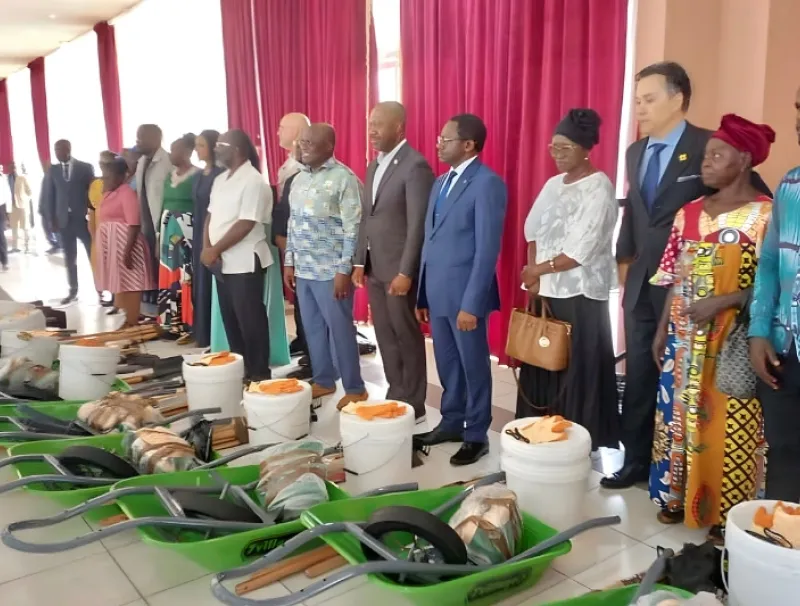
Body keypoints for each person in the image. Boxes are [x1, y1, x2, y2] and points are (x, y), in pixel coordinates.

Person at [604, 62, 772, 489]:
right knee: (641, 373)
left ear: (677, 99)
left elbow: (751, 200)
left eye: (649, 98)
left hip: (699, 289)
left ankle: (697, 475)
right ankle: (637, 461)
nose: (639, 107)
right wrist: (626, 268)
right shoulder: (635, 151)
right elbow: (636, 213)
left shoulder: (707, 146)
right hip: (645, 282)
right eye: (637, 99)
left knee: (695, 383)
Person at [649, 114, 774, 542]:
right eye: (705, 155)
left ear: (742, 160)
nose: (705, 163)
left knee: (730, 421)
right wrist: (663, 327)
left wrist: (725, 301)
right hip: (684, 340)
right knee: (678, 416)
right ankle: (677, 496)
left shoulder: (765, 217)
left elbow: (773, 281)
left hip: (733, 340)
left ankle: (728, 513)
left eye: (716, 155)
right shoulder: (688, 213)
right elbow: (674, 276)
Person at [519, 109, 619, 449]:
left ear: (586, 149)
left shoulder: (599, 188)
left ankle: (575, 443)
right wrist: (533, 276)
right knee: (543, 361)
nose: (557, 155)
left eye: (565, 148)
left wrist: (537, 270)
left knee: (577, 370)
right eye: (553, 148)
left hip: (580, 295)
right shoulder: (551, 185)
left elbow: (581, 251)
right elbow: (531, 230)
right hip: (546, 290)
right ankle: (541, 433)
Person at [415, 114, 507, 466]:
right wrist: (423, 293)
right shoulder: (440, 184)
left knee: (473, 365)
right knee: (448, 363)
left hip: (466, 296)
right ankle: (452, 422)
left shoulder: (487, 184)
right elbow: (430, 241)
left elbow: (486, 250)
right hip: (437, 292)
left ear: (468, 144)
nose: (439, 143)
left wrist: (472, 303)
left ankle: (476, 433)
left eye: (446, 139)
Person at [352, 102, 435, 422]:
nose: (372, 130)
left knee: (405, 334)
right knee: (384, 334)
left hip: (398, 270)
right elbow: (367, 218)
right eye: (370, 123)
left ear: (399, 127)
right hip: (374, 267)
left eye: (379, 125)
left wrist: (406, 271)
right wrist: (360, 261)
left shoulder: (415, 166)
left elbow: (417, 225)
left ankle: (414, 403)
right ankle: (395, 393)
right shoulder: (374, 165)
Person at [283, 123, 368, 408]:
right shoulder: (297, 180)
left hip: (331, 271)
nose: (303, 147)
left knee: (341, 330)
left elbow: (354, 229)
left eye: (310, 143)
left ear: (329, 146)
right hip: (304, 269)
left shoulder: (345, 179)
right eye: (301, 141)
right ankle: (323, 380)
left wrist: (345, 269)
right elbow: (292, 223)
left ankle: (355, 388)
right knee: (313, 328)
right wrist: (289, 262)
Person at [749, 85, 800, 504]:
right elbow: (767, 264)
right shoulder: (790, 187)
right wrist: (759, 331)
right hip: (786, 349)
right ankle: (784, 551)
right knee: (784, 454)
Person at [202, 130, 273, 382]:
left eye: (221, 145)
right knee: (231, 319)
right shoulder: (220, 180)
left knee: (250, 319)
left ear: (237, 150)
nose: (215, 148)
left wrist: (215, 249)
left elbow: (246, 223)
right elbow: (210, 216)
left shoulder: (253, 181)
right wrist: (206, 247)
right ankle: (241, 368)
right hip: (221, 262)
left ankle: (259, 372)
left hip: (244, 260)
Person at [95, 156, 156, 326]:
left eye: (109, 176)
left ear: (121, 176)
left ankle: (131, 320)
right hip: (112, 245)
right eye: (104, 176)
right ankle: (123, 320)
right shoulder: (109, 192)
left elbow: (134, 223)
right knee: (120, 283)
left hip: (126, 244)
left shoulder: (126, 192)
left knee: (131, 284)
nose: (105, 179)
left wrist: (127, 251)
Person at [276, 112, 312, 360]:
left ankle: (314, 351)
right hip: (288, 238)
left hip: (305, 244)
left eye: (282, 127)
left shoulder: (302, 169)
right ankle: (303, 339)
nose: (278, 132)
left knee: (308, 303)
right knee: (299, 298)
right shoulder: (288, 164)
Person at [42, 139, 95, 304]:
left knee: (93, 255)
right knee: (69, 258)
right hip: (63, 222)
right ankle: (73, 290)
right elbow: (49, 195)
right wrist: (51, 220)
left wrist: (93, 215)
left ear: (68, 149)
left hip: (82, 220)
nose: (57, 153)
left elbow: (92, 192)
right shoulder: (53, 170)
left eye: (60, 150)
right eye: (55, 150)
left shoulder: (85, 167)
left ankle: (101, 290)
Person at [158, 134, 199, 340]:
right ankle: (170, 323)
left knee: (186, 276)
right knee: (169, 276)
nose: (171, 154)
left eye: (175, 150)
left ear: (187, 152)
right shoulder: (169, 176)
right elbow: (163, 205)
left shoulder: (197, 176)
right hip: (167, 232)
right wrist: (159, 231)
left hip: (187, 234)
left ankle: (187, 324)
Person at [192, 130, 224, 349]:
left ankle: (217, 335)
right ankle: (203, 333)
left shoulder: (220, 174)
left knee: (213, 282)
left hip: (213, 233)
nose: (196, 149)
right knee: (200, 283)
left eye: (201, 145)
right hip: (198, 232)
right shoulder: (201, 173)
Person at [135, 124, 172, 314]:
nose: (137, 141)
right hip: (144, 221)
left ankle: (162, 307)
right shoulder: (141, 161)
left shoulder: (167, 161)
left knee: (160, 261)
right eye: (137, 137)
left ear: (157, 139)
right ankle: (149, 304)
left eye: (142, 137)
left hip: (160, 221)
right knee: (147, 262)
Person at [88, 151, 118, 309]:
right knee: (102, 265)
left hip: (115, 231)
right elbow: (91, 209)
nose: (102, 166)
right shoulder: (95, 184)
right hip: (99, 230)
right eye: (101, 163)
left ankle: (116, 298)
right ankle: (105, 294)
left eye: (106, 163)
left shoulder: (119, 184)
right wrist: (93, 231)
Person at [7, 162, 32, 254]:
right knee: (14, 228)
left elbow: (30, 191)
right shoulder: (7, 179)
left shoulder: (22, 178)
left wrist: (25, 200)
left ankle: (27, 246)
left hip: (22, 206)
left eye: (14, 167)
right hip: (12, 207)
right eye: (11, 167)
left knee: (25, 227)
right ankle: (15, 247)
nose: (13, 169)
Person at [0, 166, 9, 271]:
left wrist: (8, 212)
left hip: (0, 209)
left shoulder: (2, 180)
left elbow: (7, 195)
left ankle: (5, 261)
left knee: (1, 236)